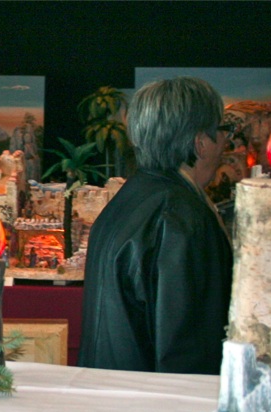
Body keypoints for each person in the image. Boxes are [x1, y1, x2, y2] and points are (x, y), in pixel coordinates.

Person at [77, 76, 232, 374]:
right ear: (200, 143)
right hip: (156, 396)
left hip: (111, 388)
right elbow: (188, 344)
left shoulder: (129, 197)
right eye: (223, 131)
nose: (226, 143)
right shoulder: (181, 214)